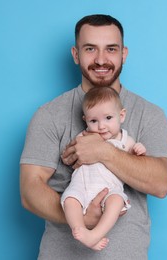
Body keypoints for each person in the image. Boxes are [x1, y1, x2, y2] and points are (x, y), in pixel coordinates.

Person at [20, 14, 167, 259]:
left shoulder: (150, 114)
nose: (101, 59)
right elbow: (30, 190)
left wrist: (103, 151)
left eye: (110, 49)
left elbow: (161, 183)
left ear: (123, 54)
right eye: (90, 49)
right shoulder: (49, 114)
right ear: (75, 54)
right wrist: (79, 218)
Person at [61, 86, 146, 251]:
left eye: (108, 118)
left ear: (121, 116)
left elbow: (135, 160)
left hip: (109, 188)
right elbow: (70, 156)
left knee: (117, 201)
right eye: (94, 121)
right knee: (70, 199)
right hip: (82, 184)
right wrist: (67, 156)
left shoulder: (125, 140)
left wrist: (139, 149)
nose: (101, 126)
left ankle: (95, 235)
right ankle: (80, 230)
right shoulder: (84, 137)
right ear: (85, 120)